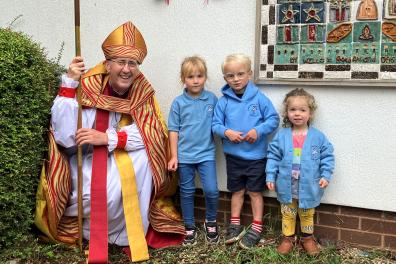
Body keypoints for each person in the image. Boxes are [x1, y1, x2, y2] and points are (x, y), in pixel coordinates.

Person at [35, 21, 184, 263]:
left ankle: (125, 234)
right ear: (107, 64)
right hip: (85, 158)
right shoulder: (88, 86)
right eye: (121, 62)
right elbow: (63, 137)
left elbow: (152, 134)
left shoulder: (142, 91)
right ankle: (91, 231)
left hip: (120, 154)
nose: (127, 69)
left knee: (145, 158)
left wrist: (107, 138)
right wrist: (70, 83)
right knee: (98, 192)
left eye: (133, 63)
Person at [212, 53, 279, 249]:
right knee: (237, 191)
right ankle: (235, 224)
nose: (236, 79)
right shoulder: (223, 102)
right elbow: (215, 124)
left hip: (256, 158)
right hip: (233, 157)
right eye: (230, 75)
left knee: (255, 192)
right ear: (225, 78)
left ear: (249, 74)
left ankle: (257, 226)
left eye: (240, 74)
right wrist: (226, 132)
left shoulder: (259, 99)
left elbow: (273, 120)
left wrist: (257, 131)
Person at [265, 88, 335, 256]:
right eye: (293, 110)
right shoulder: (282, 136)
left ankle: (307, 238)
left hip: (309, 186)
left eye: (302, 110)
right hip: (286, 186)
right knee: (288, 214)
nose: (297, 114)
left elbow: (327, 156)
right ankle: (288, 239)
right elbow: (273, 156)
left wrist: (326, 175)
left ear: (310, 113)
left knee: (307, 214)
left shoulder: (318, 137)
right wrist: (270, 175)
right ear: (287, 113)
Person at [167, 56, 219, 246]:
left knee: (212, 190)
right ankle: (189, 226)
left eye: (200, 76)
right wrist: (174, 156)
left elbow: (220, 122)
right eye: (190, 77)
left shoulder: (212, 99)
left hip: (206, 155)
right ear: (183, 79)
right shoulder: (178, 103)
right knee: (186, 192)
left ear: (205, 77)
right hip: (184, 156)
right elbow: (173, 130)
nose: (195, 80)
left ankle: (211, 222)